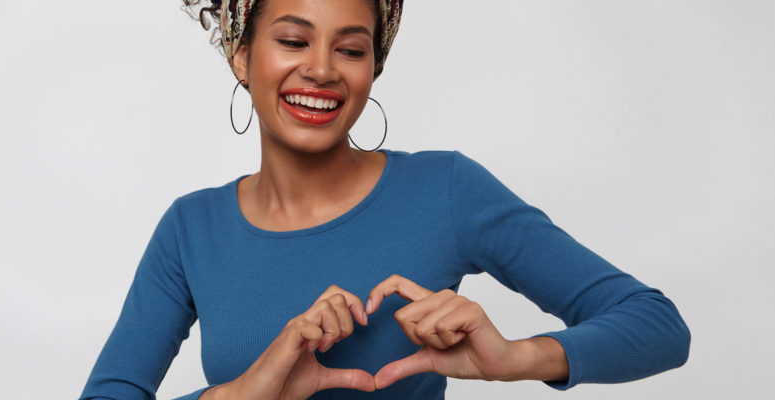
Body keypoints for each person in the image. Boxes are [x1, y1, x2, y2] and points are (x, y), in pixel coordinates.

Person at [78, 0, 691, 399]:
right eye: (293, 41)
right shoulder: (193, 227)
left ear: (374, 66)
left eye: (350, 49)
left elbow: (658, 325)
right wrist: (241, 394)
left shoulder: (446, 189)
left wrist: (516, 358)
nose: (321, 70)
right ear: (242, 55)